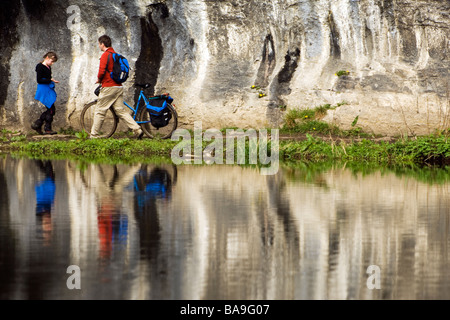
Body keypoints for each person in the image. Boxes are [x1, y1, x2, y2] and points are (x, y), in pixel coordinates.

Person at [91, 35, 143, 139]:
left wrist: (99, 80)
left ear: (102, 44)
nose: (99, 46)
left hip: (109, 86)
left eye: (99, 44)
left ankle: (94, 135)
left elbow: (101, 71)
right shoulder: (116, 55)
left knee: (100, 110)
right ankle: (137, 129)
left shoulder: (106, 55)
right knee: (121, 111)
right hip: (118, 87)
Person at [32, 52, 59, 135]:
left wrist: (51, 79)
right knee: (51, 109)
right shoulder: (40, 66)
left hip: (47, 88)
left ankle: (38, 125)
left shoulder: (48, 67)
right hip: (43, 89)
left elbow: (48, 77)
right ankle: (45, 128)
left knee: (51, 109)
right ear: (47, 58)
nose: (52, 63)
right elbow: (39, 80)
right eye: (51, 61)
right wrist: (50, 80)